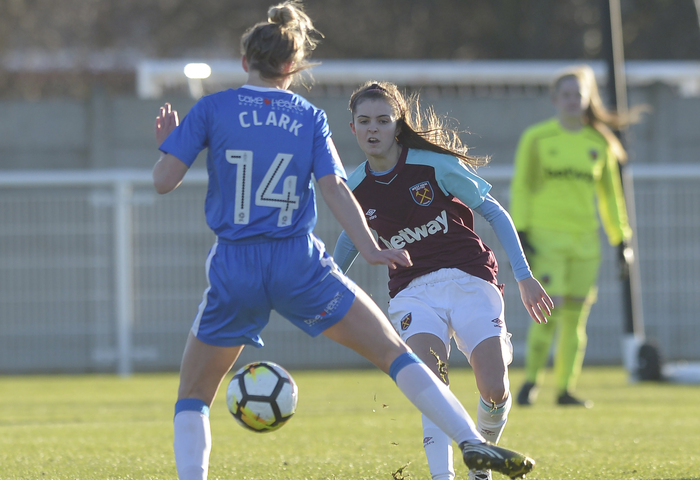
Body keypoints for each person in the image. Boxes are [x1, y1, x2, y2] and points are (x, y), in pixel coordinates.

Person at [152, 2, 536, 479]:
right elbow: (334, 189)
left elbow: (164, 181)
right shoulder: (308, 115)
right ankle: (470, 441)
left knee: (193, 395)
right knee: (396, 354)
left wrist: (170, 143)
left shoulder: (212, 108)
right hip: (298, 261)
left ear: (246, 61)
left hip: (235, 265)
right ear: (292, 67)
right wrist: (371, 248)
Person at [332, 81, 554, 480]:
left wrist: (524, 277)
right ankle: (443, 477)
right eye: (364, 121)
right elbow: (350, 238)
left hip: (470, 278)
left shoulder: (433, 166)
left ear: (397, 125)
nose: (373, 129)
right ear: (352, 128)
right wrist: (326, 288)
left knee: (494, 388)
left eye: (383, 120)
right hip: (412, 292)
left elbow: (495, 213)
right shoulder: (353, 186)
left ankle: (480, 466)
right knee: (431, 381)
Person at [510, 64, 642, 408]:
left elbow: (611, 197)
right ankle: (530, 382)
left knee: (577, 318)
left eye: (578, 95)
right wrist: (520, 231)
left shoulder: (599, 143)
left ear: (587, 100)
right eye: (565, 95)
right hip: (546, 239)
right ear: (555, 99)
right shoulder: (536, 138)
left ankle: (566, 389)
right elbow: (522, 186)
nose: (572, 100)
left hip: (585, 244)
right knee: (547, 313)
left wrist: (621, 239)